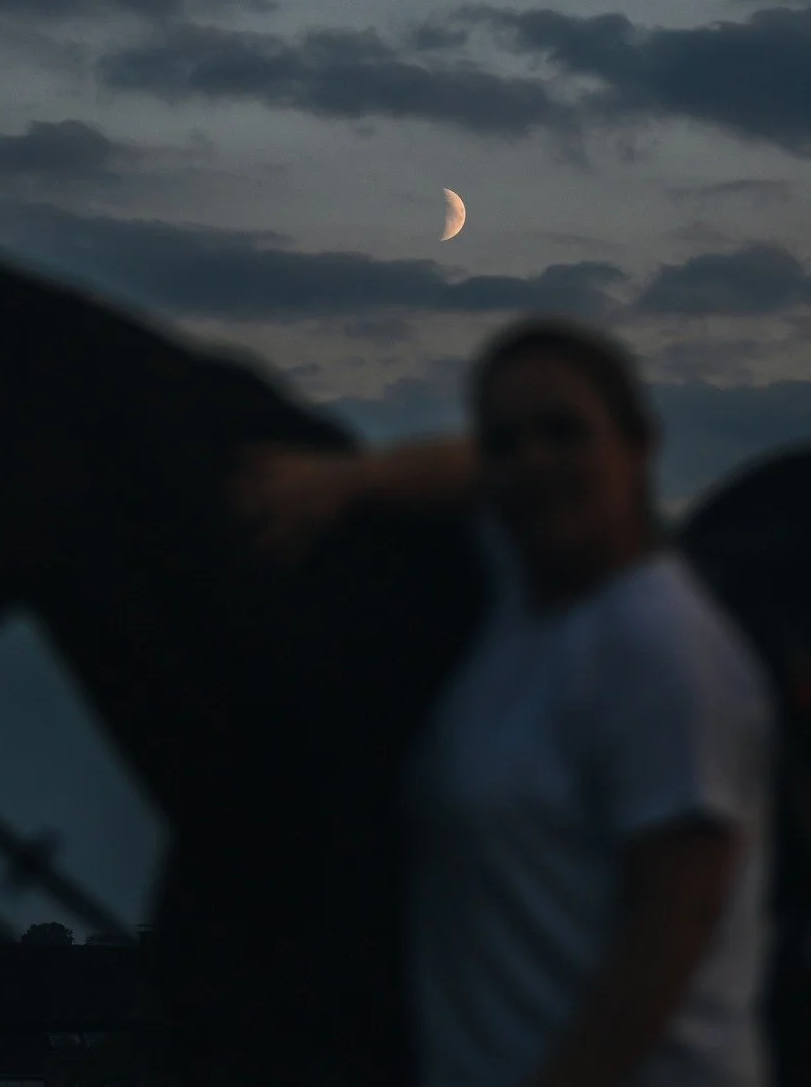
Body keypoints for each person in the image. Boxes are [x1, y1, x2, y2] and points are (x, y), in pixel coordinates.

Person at [232, 319, 777, 1087]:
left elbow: (676, 918)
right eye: (507, 441)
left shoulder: (661, 645)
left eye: (565, 433)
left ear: (641, 445)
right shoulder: (525, 601)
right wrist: (353, 480)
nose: (534, 460)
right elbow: (467, 469)